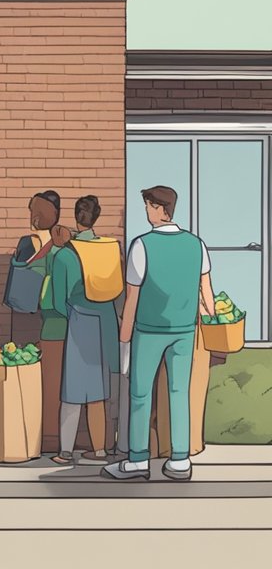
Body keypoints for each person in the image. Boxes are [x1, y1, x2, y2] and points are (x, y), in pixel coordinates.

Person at [105, 186, 214, 482]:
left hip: (149, 331)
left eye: (148, 206)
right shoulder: (196, 245)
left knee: (140, 394)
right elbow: (207, 294)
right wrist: (211, 322)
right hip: (184, 331)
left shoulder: (142, 246)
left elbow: (132, 300)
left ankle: (138, 460)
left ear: (159, 209)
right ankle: (180, 460)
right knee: (179, 392)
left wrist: (124, 340)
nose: (145, 211)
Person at [50, 196, 121, 466]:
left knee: (74, 391)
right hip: (108, 322)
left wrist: (72, 313)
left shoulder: (66, 254)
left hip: (80, 322)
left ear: (75, 216)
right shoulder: (111, 249)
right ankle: (101, 450)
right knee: (102, 391)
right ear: (97, 217)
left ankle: (65, 451)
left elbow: (58, 300)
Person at [19, 191, 73, 453]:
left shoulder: (37, 244)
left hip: (53, 323)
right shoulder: (67, 242)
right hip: (78, 324)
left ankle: (51, 439)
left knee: (51, 385)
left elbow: (28, 273)